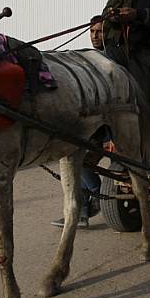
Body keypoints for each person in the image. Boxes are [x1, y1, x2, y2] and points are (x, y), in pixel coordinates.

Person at [51, 16, 107, 229]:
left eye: (99, 31)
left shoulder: (111, 59)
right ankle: (81, 212)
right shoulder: (87, 57)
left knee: (78, 162)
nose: (95, 36)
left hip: (102, 127)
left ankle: (97, 196)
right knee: (73, 160)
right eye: (92, 31)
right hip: (86, 123)